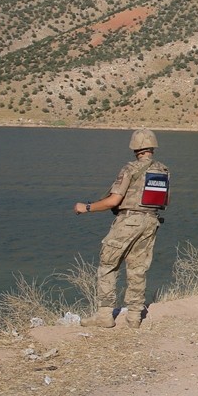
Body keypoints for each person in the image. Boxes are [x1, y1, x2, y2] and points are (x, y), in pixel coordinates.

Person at [74, 128, 170, 329]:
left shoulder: (130, 169)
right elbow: (162, 201)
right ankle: (134, 316)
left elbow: (113, 201)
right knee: (138, 268)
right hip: (151, 222)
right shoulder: (163, 170)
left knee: (108, 264)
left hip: (129, 221)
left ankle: (104, 315)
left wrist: (87, 207)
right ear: (153, 146)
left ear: (134, 147)